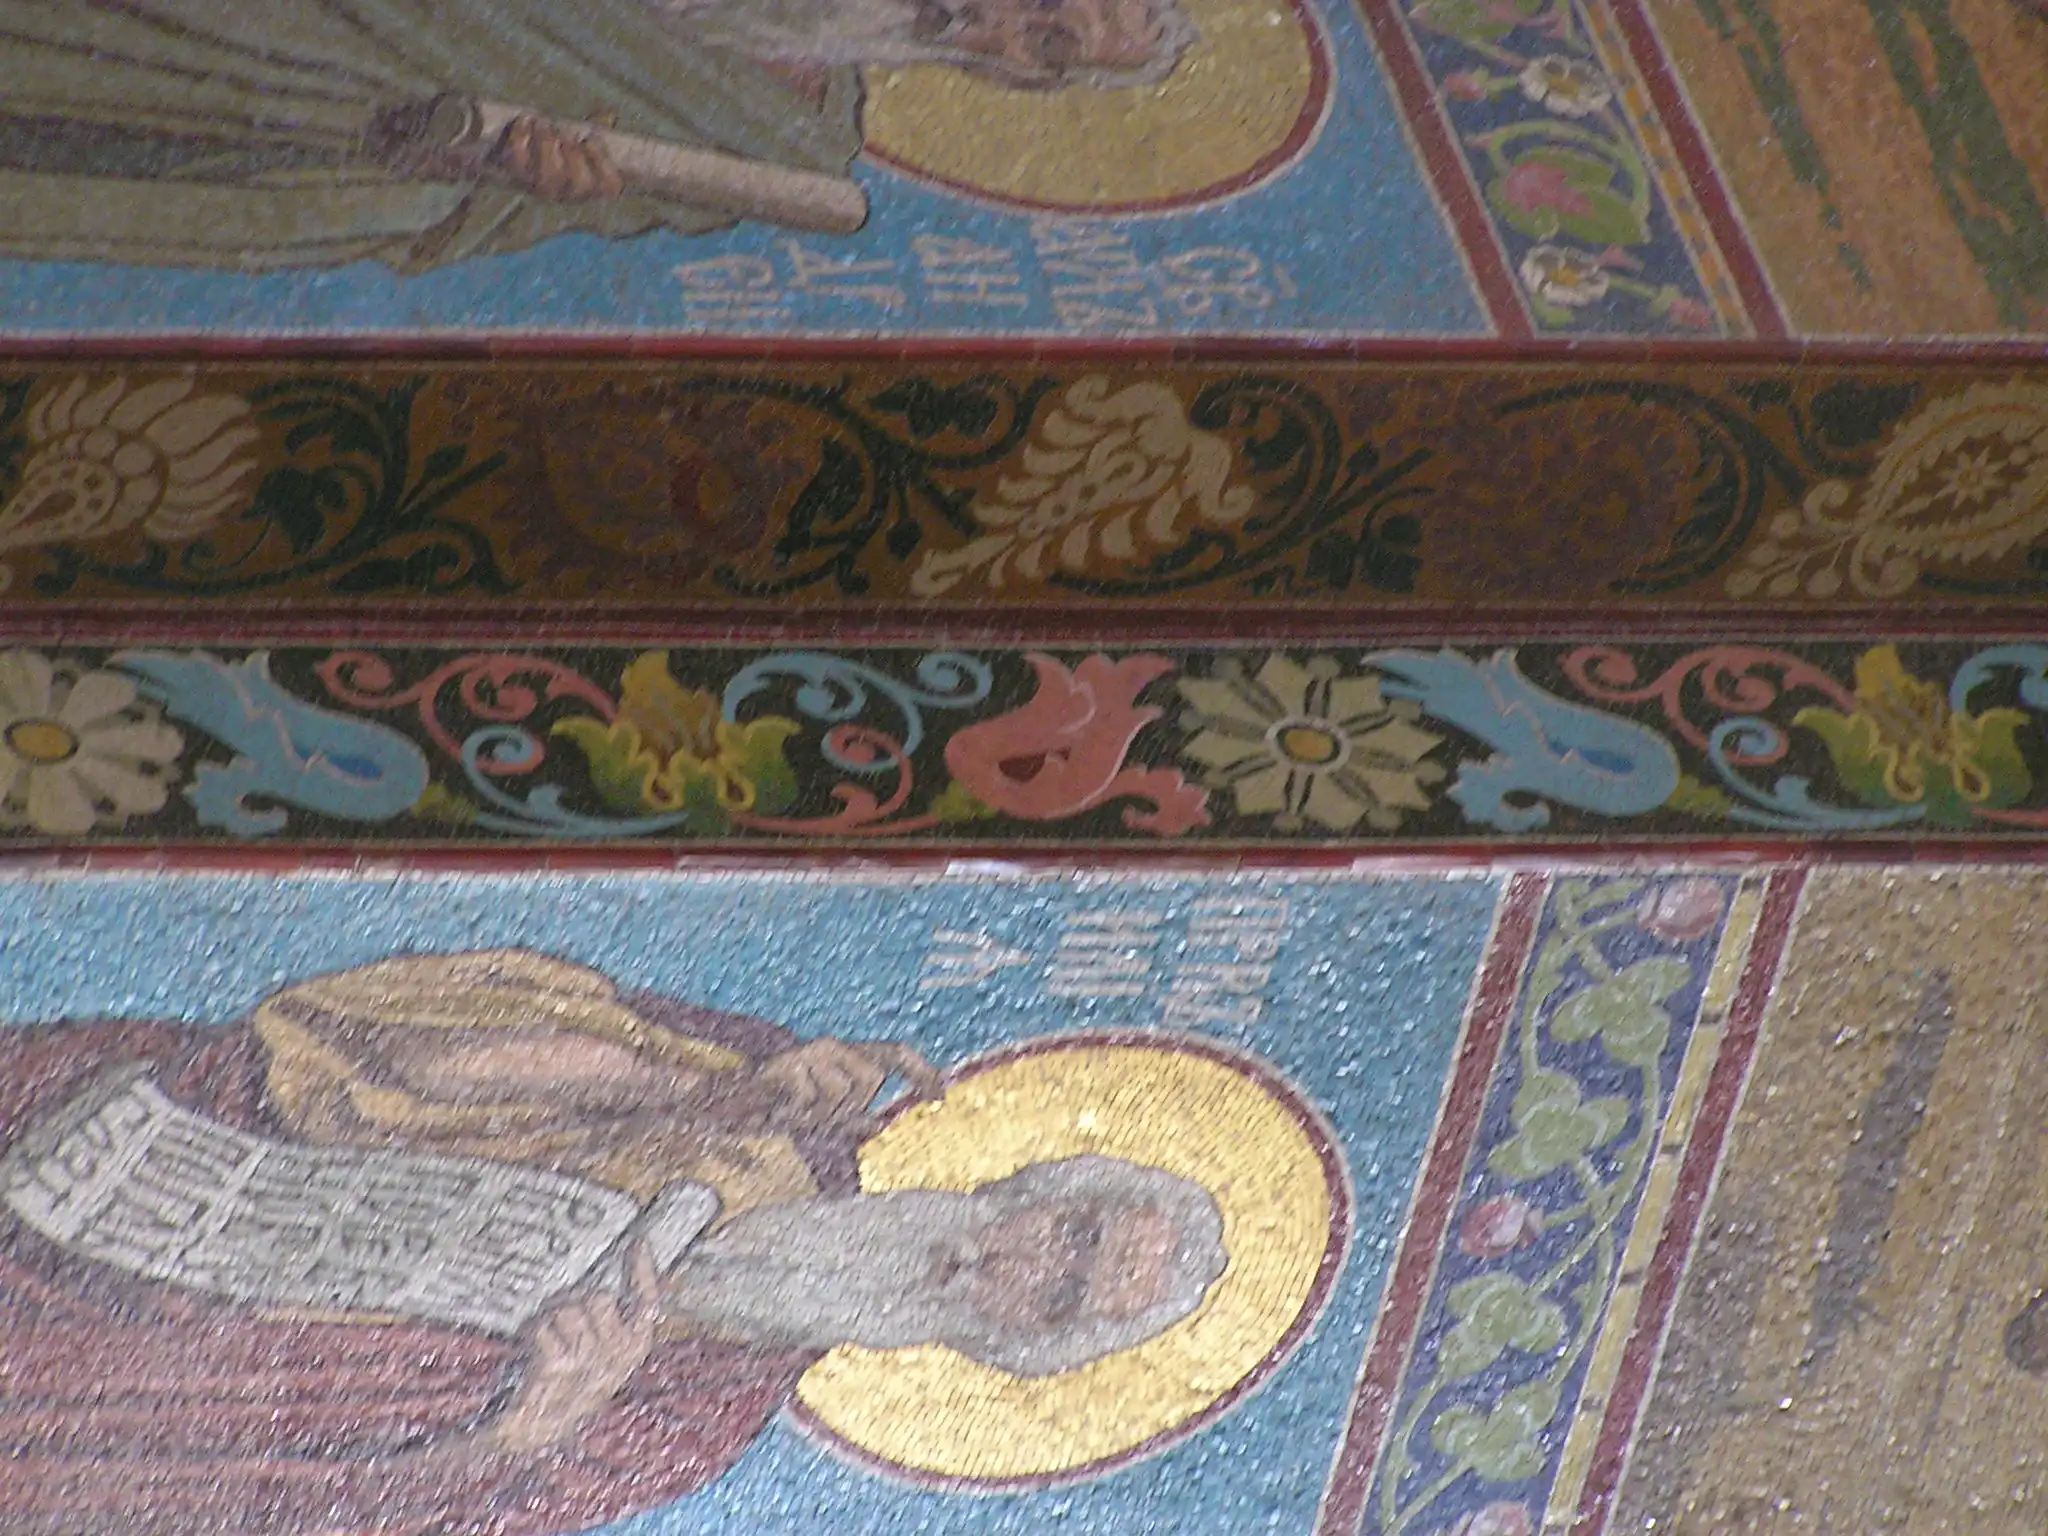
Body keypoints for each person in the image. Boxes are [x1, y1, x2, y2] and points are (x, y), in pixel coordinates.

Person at [0, 949, 1228, 1536]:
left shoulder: (699, 1416)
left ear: (1008, 1355)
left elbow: (346, 1522)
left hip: (104, 1387)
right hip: (104, 1147)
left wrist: (527, 1428)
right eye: (1069, 1231)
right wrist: (696, 1091)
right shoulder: (774, 1091)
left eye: (1059, 1299)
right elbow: (363, 1052)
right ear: (1025, 1185)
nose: (1025, 1265)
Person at [0, 0, 1195, 273]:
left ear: (1024, 85)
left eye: (1049, 46)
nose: (1007, 20)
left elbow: (517, 220)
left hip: (343, 117)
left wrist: (534, 181)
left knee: (354, 193)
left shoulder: (790, 150)